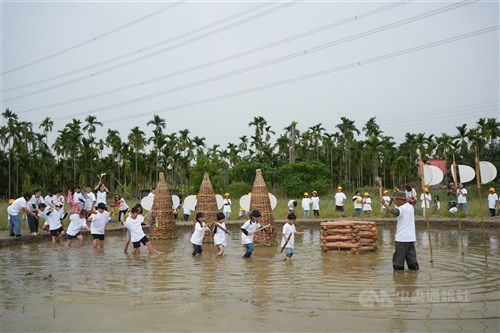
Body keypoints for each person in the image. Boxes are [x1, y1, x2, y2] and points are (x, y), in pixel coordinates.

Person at [380, 191, 419, 271]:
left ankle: (399, 278)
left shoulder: (403, 208)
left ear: (401, 200)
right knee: (412, 261)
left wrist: (384, 204)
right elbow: (399, 207)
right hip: (410, 238)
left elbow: (395, 212)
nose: (395, 202)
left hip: (402, 239)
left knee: (398, 263)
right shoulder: (410, 207)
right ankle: (414, 274)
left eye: (396, 200)